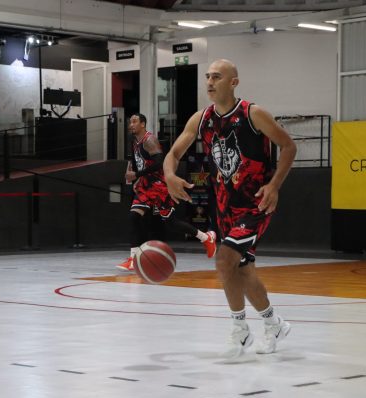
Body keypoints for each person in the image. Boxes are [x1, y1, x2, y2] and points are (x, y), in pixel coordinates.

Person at [163, 59, 297, 356]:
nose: (210, 82)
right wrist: (169, 175)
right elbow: (173, 154)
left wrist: (274, 185)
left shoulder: (253, 114)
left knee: (224, 260)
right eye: (208, 77)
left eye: (217, 77)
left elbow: (289, 146)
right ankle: (273, 323)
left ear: (233, 82)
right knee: (242, 271)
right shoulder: (201, 119)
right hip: (224, 208)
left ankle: (240, 330)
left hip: (255, 204)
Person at [117, 113, 217, 271]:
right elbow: (143, 164)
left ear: (143, 124)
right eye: (130, 122)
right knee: (134, 217)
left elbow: (159, 162)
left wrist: (137, 175)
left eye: (134, 121)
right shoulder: (135, 142)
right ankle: (133, 258)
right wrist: (138, 179)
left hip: (158, 185)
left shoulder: (149, 140)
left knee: (170, 222)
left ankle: (206, 237)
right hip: (146, 186)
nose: (131, 124)